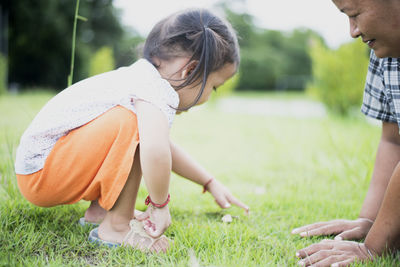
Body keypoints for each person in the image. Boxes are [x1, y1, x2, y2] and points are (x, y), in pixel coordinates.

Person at [14, 8, 249, 253]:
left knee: (133, 128)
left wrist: (209, 181)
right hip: (43, 172)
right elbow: (154, 149)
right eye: (214, 87)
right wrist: (159, 205)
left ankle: (101, 211)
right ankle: (117, 226)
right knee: (131, 123)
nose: (209, 96)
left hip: (44, 170)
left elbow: (164, 148)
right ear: (189, 71)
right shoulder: (150, 90)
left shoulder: (142, 81)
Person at [292, 0, 400, 266]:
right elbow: (392, 140)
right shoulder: (386, 54)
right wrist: (370, 221)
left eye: (354, 14)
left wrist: (373, 248)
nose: (352, 31)